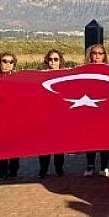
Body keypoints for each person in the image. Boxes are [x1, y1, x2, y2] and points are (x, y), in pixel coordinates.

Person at [0, 52, 20, 180]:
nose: (7, 64)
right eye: (4, 61)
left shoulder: (18, 81)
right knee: (0, 146)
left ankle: (13, 171)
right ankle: (2, 171)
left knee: (14, 146)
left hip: (14, 118)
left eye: (10, 62)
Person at [84, 44, 109, 177]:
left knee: (105, 139)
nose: (97, 56)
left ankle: (104, 165)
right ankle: (90, 165)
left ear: (104, 56)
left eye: (100, 53)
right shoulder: (83, 71)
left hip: (105, 110)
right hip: (89, 109)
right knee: (89, 139)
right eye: (94, 53)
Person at [38, 50, 66, 178]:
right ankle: (43, 169)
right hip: (44, 115)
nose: (53, 62)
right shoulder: (40, 76)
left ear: (60, 61)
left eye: (56, 59)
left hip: (60, 115)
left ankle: (59, 169)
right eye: (50, 59)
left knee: (59, 145)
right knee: (43, 145)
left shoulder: (66, 75)